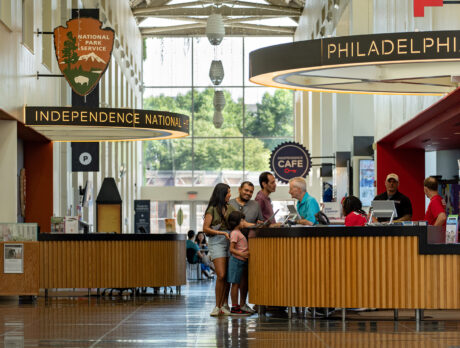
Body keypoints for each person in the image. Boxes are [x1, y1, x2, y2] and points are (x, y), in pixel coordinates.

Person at [203, 183, 254, 316]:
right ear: (222, 194)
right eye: (228, 193)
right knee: (221, 274)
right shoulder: (212, 209)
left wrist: (259, 225)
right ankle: (217, 306)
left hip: (229, 240)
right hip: (217, 241)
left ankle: (224, 305)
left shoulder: (229, 208)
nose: (230, 195)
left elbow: (241, 222)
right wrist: (221, 233)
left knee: (226, 275)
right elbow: (205, 228)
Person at [228, 181, 260, 314]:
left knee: (244, 279)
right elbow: (231, 248)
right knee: (233, 281)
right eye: (246, 190)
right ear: (240, 189)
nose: (248, 193)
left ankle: (242, 304)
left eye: (251, 192)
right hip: (236, 255)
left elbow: (259, 222)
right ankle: (232, 306)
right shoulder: (229, 204)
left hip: (245, 251)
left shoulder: (255, 205)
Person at [227, 211, 251, 315]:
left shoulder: (238, 232)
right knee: (235, 285)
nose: (244, 222)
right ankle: (234, 307)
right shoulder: (235, 233)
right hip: (236, 261)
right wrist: (242, 255)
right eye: (242, 220)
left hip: (240, 262)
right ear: (237, 221)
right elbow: (231, 249)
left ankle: (237, 306)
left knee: (237, 284)